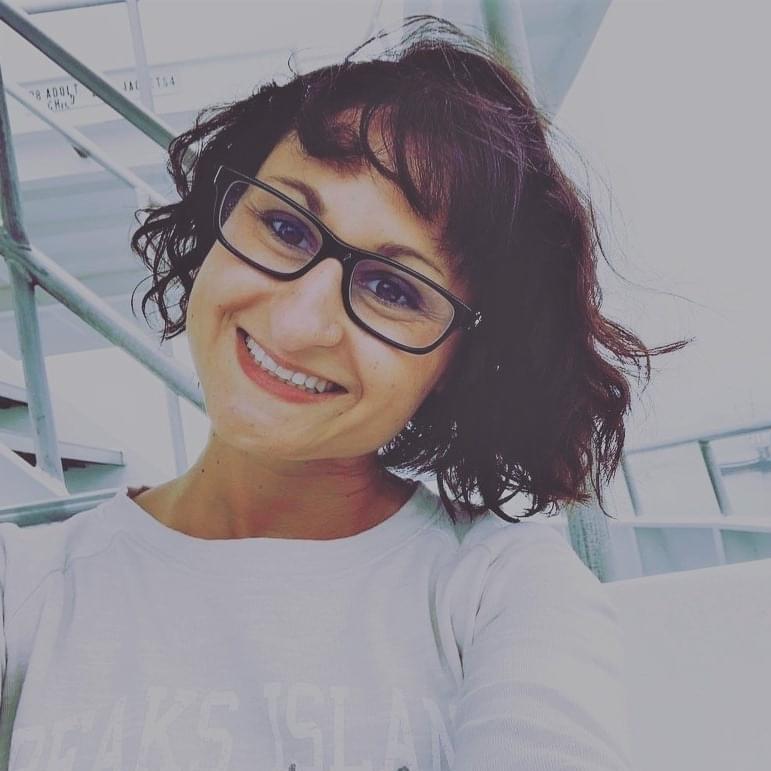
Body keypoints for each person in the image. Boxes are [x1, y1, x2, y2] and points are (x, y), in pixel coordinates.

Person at [0, 16, 685, 770]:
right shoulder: (25, 588)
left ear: (460, 364)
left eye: (393, 289)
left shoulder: (503, 591)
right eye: (285, 227)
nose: (299, 323)